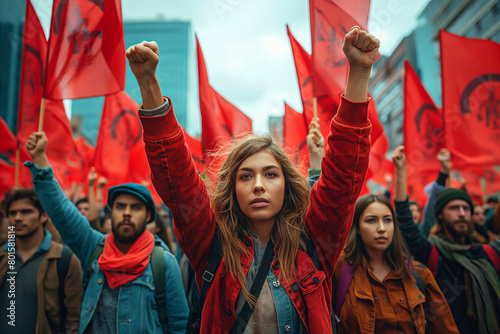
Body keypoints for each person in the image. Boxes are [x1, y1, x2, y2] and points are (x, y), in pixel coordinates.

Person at [128, 25, 376, 333]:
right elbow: (178, 183)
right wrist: (149, 86)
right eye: (246, 176)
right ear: (232, 189)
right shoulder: (211, 244)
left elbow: (342, 176)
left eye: (270, 174)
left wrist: (359, 72)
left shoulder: (314, 243)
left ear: (287, 186)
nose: (258, 184)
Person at [24, 133, 189, 334]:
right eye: (120, 206)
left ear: (147, 216)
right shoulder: (93, 248)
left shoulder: (164, 263)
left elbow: (180, 326)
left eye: (135, 207)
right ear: (111, 212)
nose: (127, 213)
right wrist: (41, 160)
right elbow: (62, 212)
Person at [391, 145, 500, 334]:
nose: (461, 213)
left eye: (466, 208)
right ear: (439, 215)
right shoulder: (434, 254)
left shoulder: (488, 252)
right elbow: (405, 221)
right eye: (454, 208)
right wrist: (400, 172)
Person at [332, 194, 458, 333]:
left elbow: (444, 328)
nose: (381, 228)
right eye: (371, 220)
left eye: (387, 220)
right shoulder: (339, 270)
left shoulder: (419, 274)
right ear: (357, 228)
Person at [0, 189, 82, 334]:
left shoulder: (64, 258)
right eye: (13, 213)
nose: (18, 218)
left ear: (43, 216)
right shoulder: (2, 256)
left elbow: (74, 319)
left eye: (26, 212)